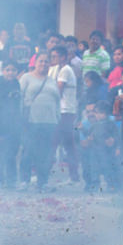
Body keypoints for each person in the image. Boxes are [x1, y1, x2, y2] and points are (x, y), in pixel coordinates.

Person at [19, 54, 60, 191]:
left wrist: (58, 117)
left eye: (46, 61)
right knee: (28, 150)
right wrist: (21, 117)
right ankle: (24, 181)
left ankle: (43, 181)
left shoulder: (52, 80)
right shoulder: (26, 78)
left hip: (50, 121)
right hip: (31, 120)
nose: (43, 64)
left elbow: (57, 101)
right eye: (41, 61)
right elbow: (20, 98)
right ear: (35, 63)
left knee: (45, 153)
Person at [48, 45, 81, 186]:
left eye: (55, 56)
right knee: (67, 144)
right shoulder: (58, 69)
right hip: (63, 111)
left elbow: (58, 90)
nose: (52, 59)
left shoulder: (65, 70)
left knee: (56, 142)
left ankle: (44, 173)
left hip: (65, 111)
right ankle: (74, 176)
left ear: (63, 57)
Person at [0, 61, 23, 188]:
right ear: (3, 71)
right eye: (8, 70)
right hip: (1, 123)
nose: (10, 73)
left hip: (14, 124)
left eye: (13, 70)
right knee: (0, 153)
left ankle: (11, 180)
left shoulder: (16, 84)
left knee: (12, 153)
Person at [80, 101, 119, 193]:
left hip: (106, 151)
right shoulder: (94, 125)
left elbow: (116, 136)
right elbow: (88, 134)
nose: (96, 115)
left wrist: (114, 142)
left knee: (107, 167)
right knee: (94, 168)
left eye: (99, 113)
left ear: (106, 113)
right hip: (94, 151)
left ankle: (110, 184)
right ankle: (95, 184)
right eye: (96, 113)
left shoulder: (110, 124)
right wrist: (82, 129)